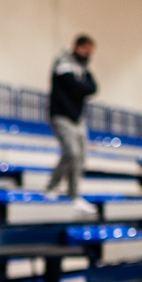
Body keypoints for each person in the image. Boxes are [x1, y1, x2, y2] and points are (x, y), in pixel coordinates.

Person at [47, 34, 98, 215]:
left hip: (78, 119)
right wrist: (79, 87)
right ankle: (52, 187)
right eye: (86, 50)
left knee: (81, 157)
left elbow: (92, 88)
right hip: (61, 115)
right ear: (77, 46)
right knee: (71, 152)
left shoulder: (84, 68)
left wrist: (79, 87)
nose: (88, 54)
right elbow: (71, 84)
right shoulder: (63, 62)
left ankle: (74, 195)